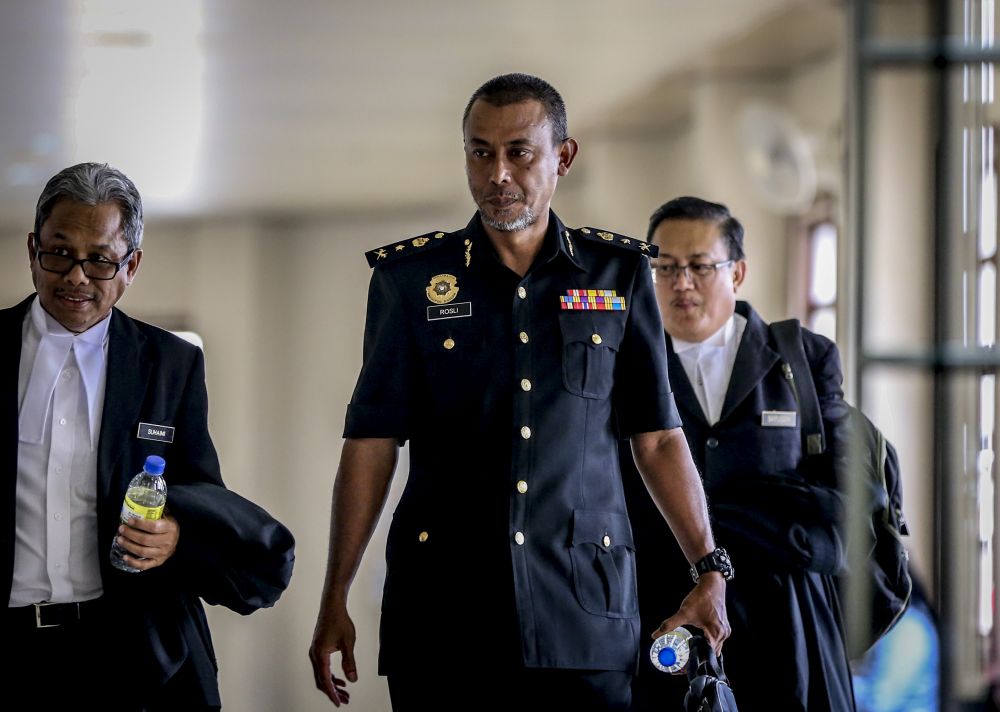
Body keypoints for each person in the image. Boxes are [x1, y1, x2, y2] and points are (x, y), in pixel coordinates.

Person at [309, 74, 731, 711]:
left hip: (584, 614)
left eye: (519, 152)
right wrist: (334, 592)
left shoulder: (618, 275)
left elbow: (660, 438)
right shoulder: (411, 281)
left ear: (563, 157)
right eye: (480, 152)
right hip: (444, 617)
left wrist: (709, 568)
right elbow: (370, 443)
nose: (497, 173)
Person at [3, 162, 294, 710]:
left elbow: (199, 488)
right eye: (59, 252)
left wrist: (177, 533)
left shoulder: (170, 363)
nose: (76, 277)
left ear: (130, 265)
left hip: (126, 648)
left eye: (100, 260)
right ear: (32, 248)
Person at [622, 195, 855, 711]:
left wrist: (721, 525)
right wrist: (758, 509)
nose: (681, 282)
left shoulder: (803, 360)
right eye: (664, 268)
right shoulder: (622, 365)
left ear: (738, 272)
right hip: (664, 616)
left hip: (787, 620)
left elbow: (846, 503)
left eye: (699, 266)